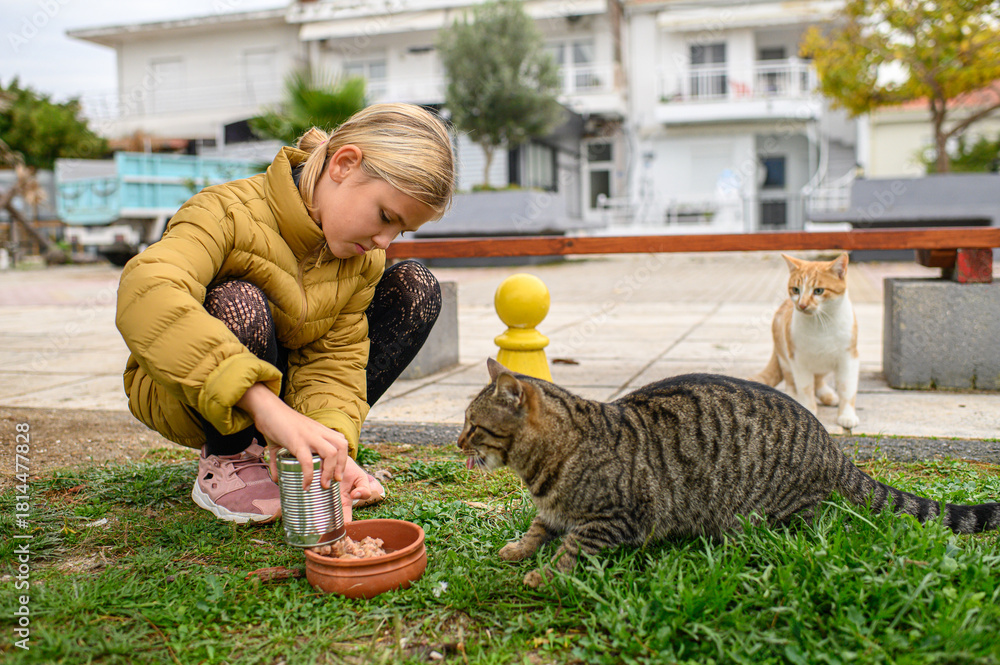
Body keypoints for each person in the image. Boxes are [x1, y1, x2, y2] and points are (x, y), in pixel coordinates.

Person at [116, 103, 455, 524]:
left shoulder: (362, 258)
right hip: (186, 390)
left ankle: (301, 452)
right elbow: (147, 290)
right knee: (238, 300)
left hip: (284, 398)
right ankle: (230, 455)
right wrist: (263, 406)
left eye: (399, 230)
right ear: (345, 165)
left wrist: (331, 444)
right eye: (385, 216)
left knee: (415, 287)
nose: (385, 242)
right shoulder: (224, 211)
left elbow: (337, 356)